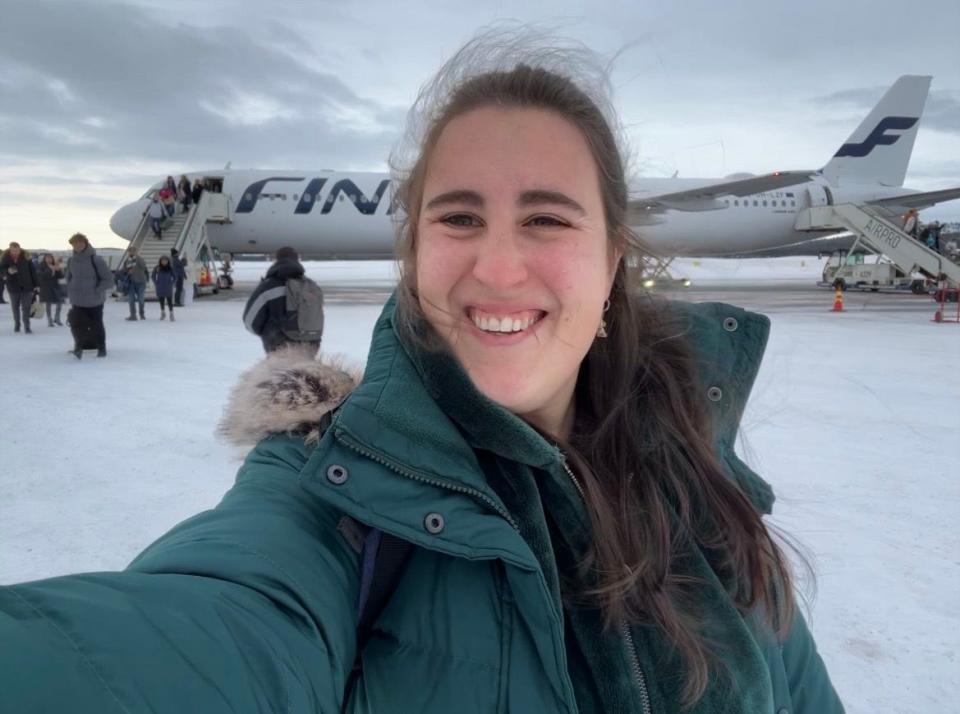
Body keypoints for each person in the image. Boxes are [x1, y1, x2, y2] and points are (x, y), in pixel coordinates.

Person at [0, 31, 843, 714]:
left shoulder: (703, 486)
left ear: (613, 254)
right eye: (459, 215)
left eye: (547, 216)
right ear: (417, 245)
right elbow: (223, 624)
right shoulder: (331, 486)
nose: (500, 267)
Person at [242, 246, 324, 356]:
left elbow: (250, 321)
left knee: (282, 373)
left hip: (279, 347)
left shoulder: (268, 286)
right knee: (303, 372)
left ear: (277, 260)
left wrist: (266, 333)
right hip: (311, 345)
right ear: (297, 260)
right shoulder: (311, 285)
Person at [64, 232, 110, 357]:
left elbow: (108, 279)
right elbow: (69, 277)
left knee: (96, 324)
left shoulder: (96, 260)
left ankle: (101, 347)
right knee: (77, 324)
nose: (77, 245)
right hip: (77, 299)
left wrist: (97, 290)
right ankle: (78, 346)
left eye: (80, 242)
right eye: (75, 243)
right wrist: (71, 288)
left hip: (94, 300)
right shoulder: (71, 260)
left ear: (86, 243)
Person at [0, 241, 38, 333]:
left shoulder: (26, 257)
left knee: (26, 307)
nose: (15, 253)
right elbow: (1, 270)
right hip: (13, 287)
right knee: (15, 307)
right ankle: (17, 324)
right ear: (10, 250)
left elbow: (33, 271)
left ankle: (27, 326)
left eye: (17, 250)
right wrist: (8, 271)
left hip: (27, 286)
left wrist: (36, 285)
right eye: (13, 251)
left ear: (19, 249)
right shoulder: (5, 258)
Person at [118, 247, 149, 320]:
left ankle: (142, 314)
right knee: (131, 300)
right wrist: (127, 271)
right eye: (130, 251)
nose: (131, 253)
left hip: (141, 282)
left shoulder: (140, 259)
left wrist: (137, 257)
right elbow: (123, 270)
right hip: (131, 282)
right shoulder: (127, 261)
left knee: (141, 299)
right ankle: (133, 315)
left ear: (136, 252)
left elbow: (143, 266)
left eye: (133, 251)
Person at [37, 253, 65, 327]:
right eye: (47, 258)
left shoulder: (55, 265)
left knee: (59, 303)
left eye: (50, 258)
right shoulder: (41, 266)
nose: (49, 260)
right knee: (48, 304)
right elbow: (41, 275)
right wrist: (50, 269)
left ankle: (57, 317)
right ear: (44, 259)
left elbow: (61, 276)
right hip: (46, 287)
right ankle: (49, 320)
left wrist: (58, 270)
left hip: (55, 287)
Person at [152, 255, 177, 321]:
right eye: (163, 260)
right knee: (161, 300)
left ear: (168, 261)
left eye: (165, 260)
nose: (164, 262)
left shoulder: (170, 268)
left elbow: (175, 277)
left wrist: (172, 282)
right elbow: (153, 275)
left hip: (168, 286)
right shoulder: (157, 268)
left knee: (169, 300)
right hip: (160, 286)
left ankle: (171, 313)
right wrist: (156, 282)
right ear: (160, 261)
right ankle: (163, 312)